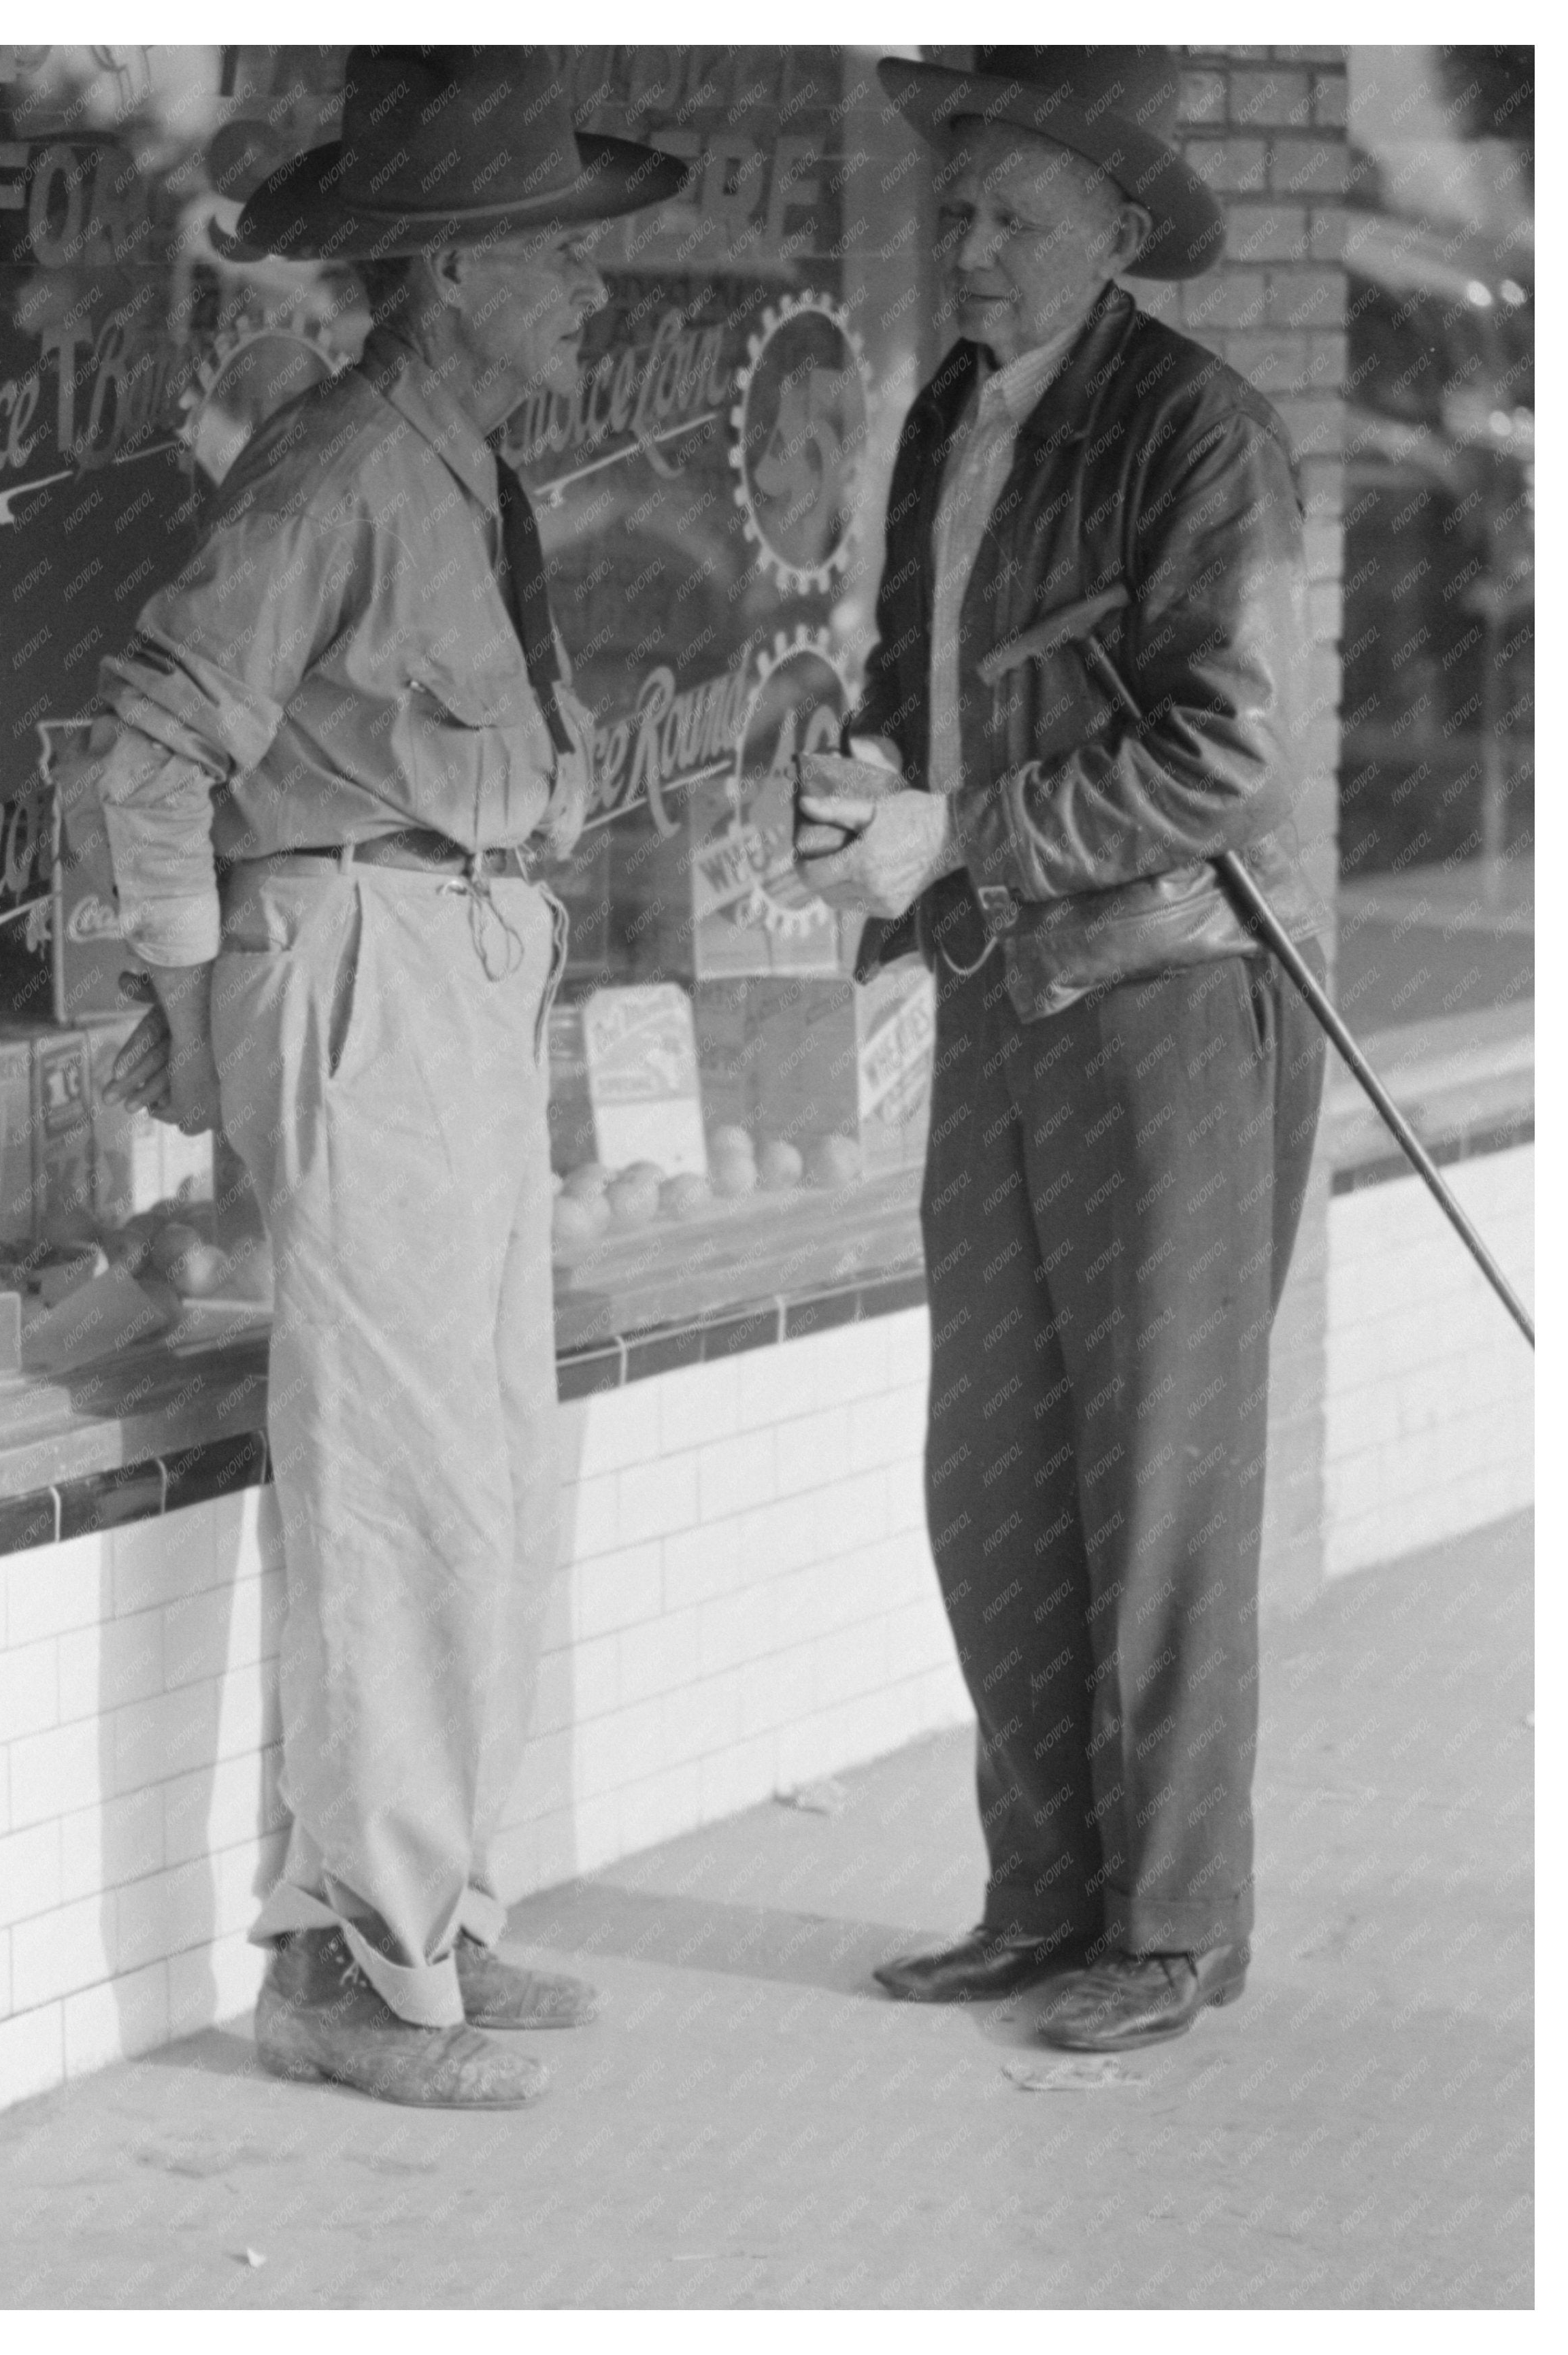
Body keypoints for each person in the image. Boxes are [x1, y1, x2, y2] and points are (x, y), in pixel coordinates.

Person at [82, 48, 686, 2110]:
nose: (593, 296)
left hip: (457, 963)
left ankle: (429, 1920)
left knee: (484, 1464)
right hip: (360, 959)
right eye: (561, 263)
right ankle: (350, 1965)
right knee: (403, 1471)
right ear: (448, 269)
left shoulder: (462, 471)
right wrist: (191, 1014)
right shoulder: (339, 467)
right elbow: (151, 745)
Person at [795, 47, 1328, 2053]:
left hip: (1169, 1006)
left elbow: (1220, 744)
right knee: (994, 1472)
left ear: (1117, 235)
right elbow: (912, 670)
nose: (971, 251)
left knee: (1159, 1487)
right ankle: (1041, 1895)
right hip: (994, 990)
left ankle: (1175, 1924)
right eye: (955, 214)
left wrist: (971, 836)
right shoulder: (950, 411)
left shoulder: (1202, 432)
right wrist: (871, 787)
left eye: (1017, 218)